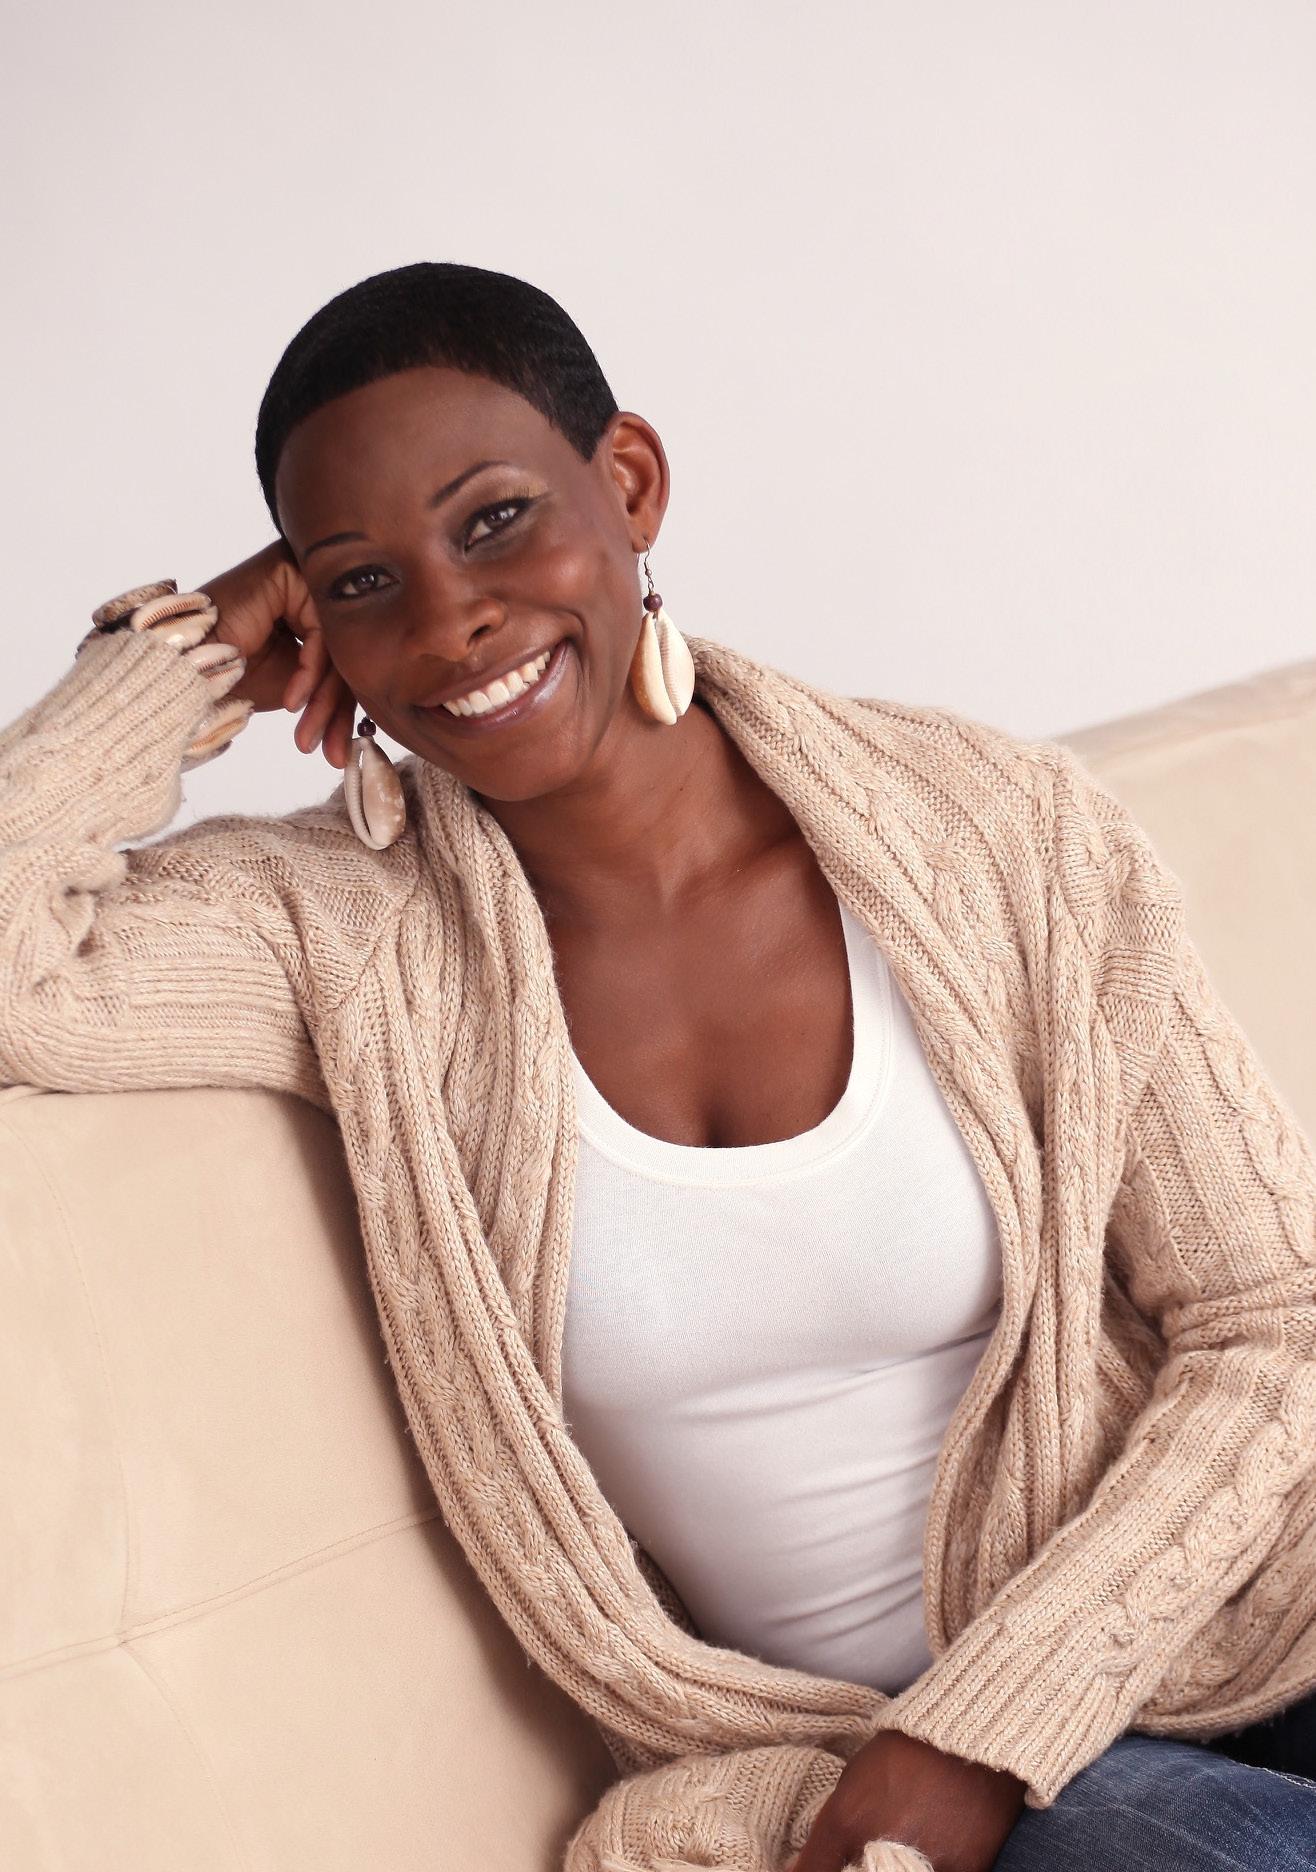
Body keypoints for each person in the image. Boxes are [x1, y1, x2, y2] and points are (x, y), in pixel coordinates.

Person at [2, 261, 1315, 1872]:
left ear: (626, 483)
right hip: (903, 1769)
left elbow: (1273, 1318)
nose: (449, 622)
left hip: (1227, 1600)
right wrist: (177, 661)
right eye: (361, 582)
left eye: (495, 522)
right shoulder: (340, 939)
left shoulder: (996, 830)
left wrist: (987, 1722)